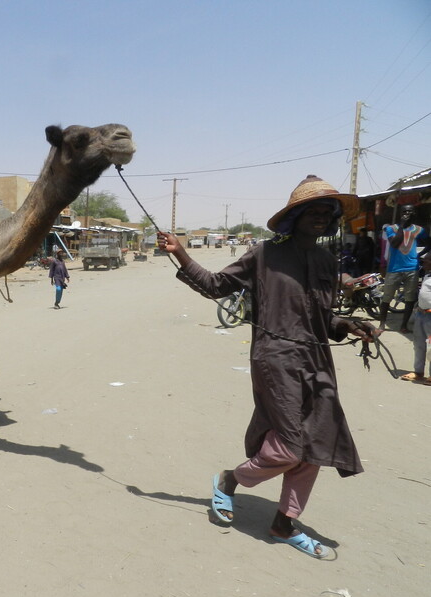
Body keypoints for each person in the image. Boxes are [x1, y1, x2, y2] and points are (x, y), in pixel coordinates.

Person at [157, 175, 377, 559]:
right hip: (276, 359)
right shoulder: (264, 254)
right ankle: (231, 479)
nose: (321, 218)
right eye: (314, 211)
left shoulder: (327, 260)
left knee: (316, 446)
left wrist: (349, 325)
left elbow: (323, 320)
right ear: (296, 216)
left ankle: (283, 524)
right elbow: (215, 285)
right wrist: (180, 252)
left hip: (317, 360)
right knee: (292, 446)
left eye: (328, 213)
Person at [378, 205, 425, 333]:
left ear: (414, 213)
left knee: (410, 298)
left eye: (410, 211)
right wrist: (402, 226)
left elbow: (427, 242)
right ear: (400, 214)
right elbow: (394, 243)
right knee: (387, 297)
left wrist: (420, 255)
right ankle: (382, 324)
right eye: (404, 211)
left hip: (412, 268)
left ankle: (403, 325)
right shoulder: (391, 229)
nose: (407, 213)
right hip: (394, 269)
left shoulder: (419, 230)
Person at [399, 253, 431, 385]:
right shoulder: (427, 276)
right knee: (419, 345)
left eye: (426, 261)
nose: (423, 264)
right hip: (421, 314)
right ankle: (418, 372)